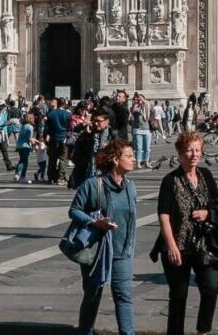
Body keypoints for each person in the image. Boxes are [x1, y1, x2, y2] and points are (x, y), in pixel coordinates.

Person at [154, 131, 218, 335]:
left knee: (211, 287)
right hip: (179, 244)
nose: (194, 154)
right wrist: (171, 246)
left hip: (204, 244)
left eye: (198, 150)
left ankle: (203, 330)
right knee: (178, 294)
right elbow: (164, 215)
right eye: (189, 150)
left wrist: (207, 212)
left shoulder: (206, 175)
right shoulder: (170, 180)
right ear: (179, 152)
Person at [67, 138, 139, 335]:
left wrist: (130, 247)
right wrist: (94, 223)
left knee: (124, 297)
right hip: (97, 251)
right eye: (129, 156)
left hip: (123, 251)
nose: (134, 159)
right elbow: (74, 211)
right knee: (92, 295)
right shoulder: (93, 185)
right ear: (116, 160)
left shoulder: (130, 186)